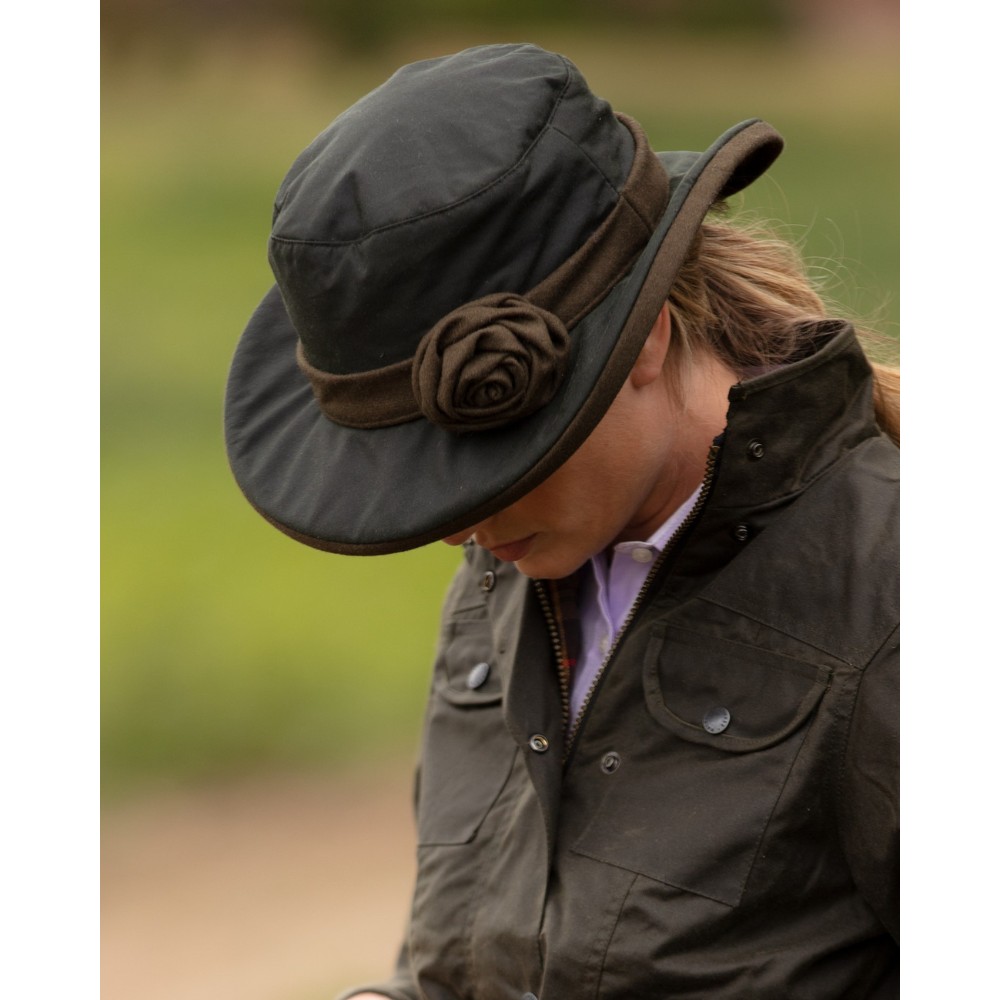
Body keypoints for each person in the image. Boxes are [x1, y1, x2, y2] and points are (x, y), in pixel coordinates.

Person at [225, 43, 899, 1000]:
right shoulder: (519, 565)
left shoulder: (899, 596)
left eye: (501, 456)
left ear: (649, 338)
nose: (458, 529)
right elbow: (478, 959)